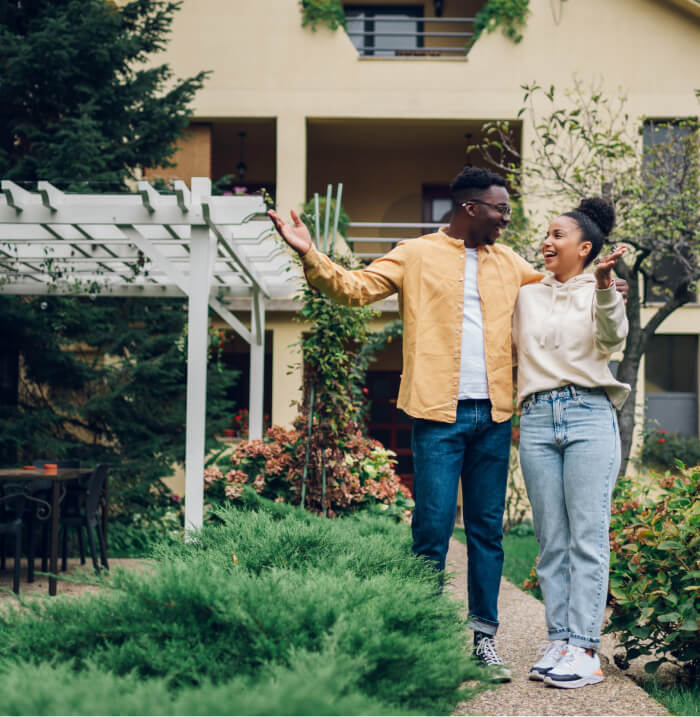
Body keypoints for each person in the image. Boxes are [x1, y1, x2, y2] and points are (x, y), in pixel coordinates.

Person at [268, 167, 625, 680]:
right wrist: (309, 253)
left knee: (486, 532)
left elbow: (563, 288)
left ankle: (484, 640)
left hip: (496, 417)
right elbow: (353, 288)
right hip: (438, 414)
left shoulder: (513, 266)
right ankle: (424, 633)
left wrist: (609, 285)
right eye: (501, 210)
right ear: (470, 208)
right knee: (431, 529)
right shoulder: (414, 254)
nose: (508, 219)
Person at [513, 197, 630, 689]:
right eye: (545, 234)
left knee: (586, 537)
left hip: (587, 414)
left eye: (558, 235)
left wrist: (604, 287)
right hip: (538, 419)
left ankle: (585, 648)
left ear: (584, 248)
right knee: (551, 541)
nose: (546, 241)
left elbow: (611, 341)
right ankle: (559, 638)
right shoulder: (527, 294)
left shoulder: (605, 292)